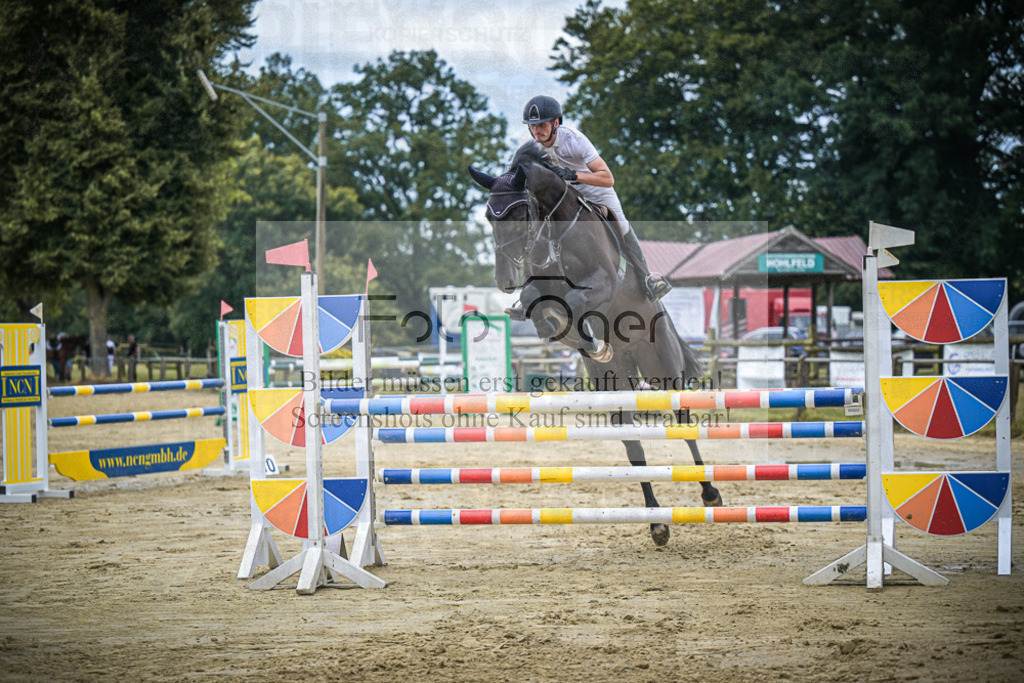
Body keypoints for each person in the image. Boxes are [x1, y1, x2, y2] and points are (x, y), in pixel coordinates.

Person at [520, 95, 671, 302]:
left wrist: (574, 175)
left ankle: (647, 279)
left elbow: (608, 178)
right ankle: (530, 288)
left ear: (556, 123)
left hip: (594, 189)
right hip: (563, 198)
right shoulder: (531, 148)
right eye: (532, 126)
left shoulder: (575, 140)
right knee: (536, 228)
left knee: (622, 225)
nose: (536, 130)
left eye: (542, 124)